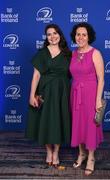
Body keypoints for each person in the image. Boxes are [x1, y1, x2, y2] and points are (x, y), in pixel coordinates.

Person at [26, 24, 71, 168]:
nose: (52, 36)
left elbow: (76, 73)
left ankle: (56, 152)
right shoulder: (42, 53)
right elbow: (36, 75)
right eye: (49, 34)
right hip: (44, 91)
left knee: (58, 121)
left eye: (55, 33)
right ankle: (49, 151)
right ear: (46, 37)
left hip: (61, 93)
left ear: (60, 35)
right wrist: (32, 95)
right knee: (44, 121)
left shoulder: (68, 54)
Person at [70, 22, 104, 176]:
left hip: (90, 94)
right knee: (78, 124)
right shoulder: (73, 53)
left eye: (84, 34)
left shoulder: (95, 53)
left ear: (89, 36)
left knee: (90, 126)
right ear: (75, 37)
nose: (81, 37)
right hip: (75, 93)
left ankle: (91, 157)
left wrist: (98, 100)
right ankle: (81, 153)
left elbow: (101, 79)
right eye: (78, 34)